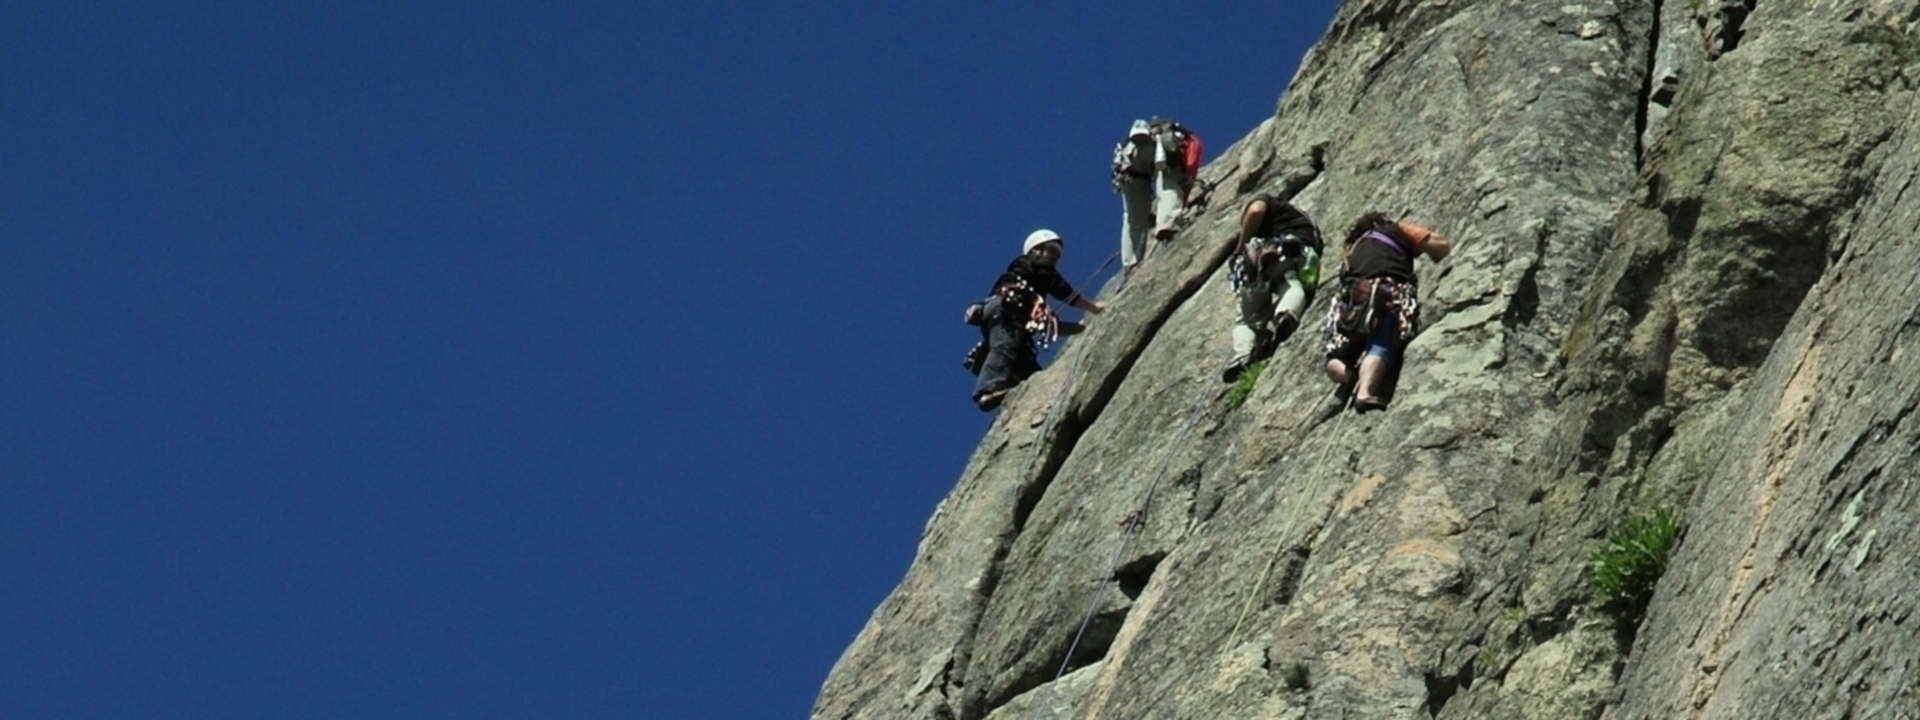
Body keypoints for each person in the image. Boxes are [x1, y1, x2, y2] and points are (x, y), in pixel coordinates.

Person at [1321, 212, 1451, 412]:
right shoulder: (1395, 229)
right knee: (1380, 342)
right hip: (1384, 291)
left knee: (1337, 354)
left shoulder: (1351, 252)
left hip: (1350, 299)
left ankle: (1349, 375)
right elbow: (1439, 246)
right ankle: (1364, 392)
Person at [970, 229, 1106, 411]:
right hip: (1005, 312)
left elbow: (1048, 324)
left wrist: (1079, 329)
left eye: (1057, 252)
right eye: (1051, 250)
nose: (1054, 256)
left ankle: (1028, 398)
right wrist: (1094, 308)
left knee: (1026, 366)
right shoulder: (1028, 265)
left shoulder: (1034, 288)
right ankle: (987, 391)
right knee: (1005, 347)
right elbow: (1066, 293)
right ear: (1035, 251)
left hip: (1012, 320)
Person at [1222, 197, 1323, 383]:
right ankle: (1286, 314)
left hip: (1268, 258)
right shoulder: (1303, 220)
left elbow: (1255, 211)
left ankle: (1243, 354)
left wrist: (1239, 248)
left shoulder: (1264, 201)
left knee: (1246, 320)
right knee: (1290, 283)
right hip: (1294, 254)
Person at [1111, 118, 1202, 277]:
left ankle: (1131, 262)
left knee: (1133, 216)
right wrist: (1187, 176)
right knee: (1168, 184)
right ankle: (1167, 223)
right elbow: (1193, 153)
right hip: (1159, 152)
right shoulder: (1183, 137)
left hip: (1131, 161)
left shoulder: (1130, 142)